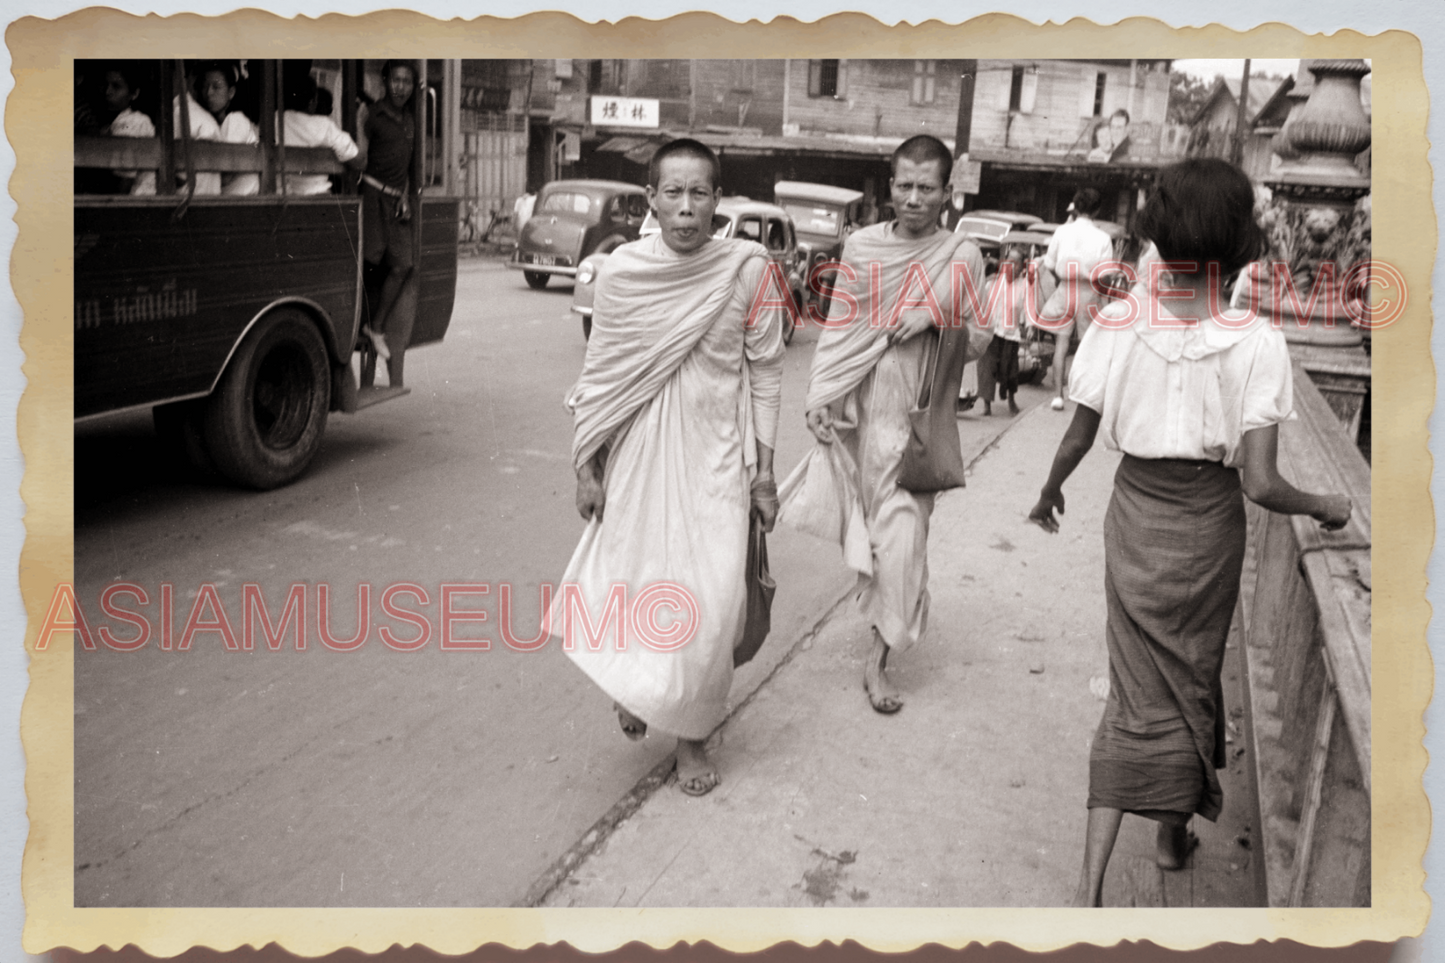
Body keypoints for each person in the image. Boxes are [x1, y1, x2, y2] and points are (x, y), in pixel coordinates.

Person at [1026, 158, 1352, 907]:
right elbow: (1263, 484)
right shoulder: (1256, 341)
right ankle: (1171, 834)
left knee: (1135, 692)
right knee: (1190, 683)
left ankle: (1089, 885)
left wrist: (1047, 493)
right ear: (1240, 238)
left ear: (1158, 232)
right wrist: (1327, 504)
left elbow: (1079, 432)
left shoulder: (1117, 322)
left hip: (1134, 518)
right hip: (1208, 530)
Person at [551, 139, 786, 797]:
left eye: (700, 193)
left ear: (718, 199)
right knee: (636, 588)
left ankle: (691, 737)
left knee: (711, 609)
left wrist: (764, 473)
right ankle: (643, 694)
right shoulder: (622, 271)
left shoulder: (746, 268)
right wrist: (586, 467)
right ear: (650, 199)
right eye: (673, 193)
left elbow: (765, 371)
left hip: (715, 459)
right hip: (637, 458)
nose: (686, 208)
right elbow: (600, 377)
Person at [796, 134, 985, 714]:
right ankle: (882, 623)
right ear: (890, 185)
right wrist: (821, 396)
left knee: (904, 542)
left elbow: (980, 339)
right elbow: (839, 327)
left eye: (926, 187)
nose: (913, 197)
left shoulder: (962, 255)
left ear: (946, 193)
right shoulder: (861, 247)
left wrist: (934, 316)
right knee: (874, 540)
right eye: (904, 184)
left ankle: (877, 662)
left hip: (916, 419)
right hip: (862, 412)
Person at [359, 59, 418, 378]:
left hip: (396, 202)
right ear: (385, 81)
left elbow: (407, 165)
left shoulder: (409, 119)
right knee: (369, 263)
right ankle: (357, 327)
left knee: (402, 265)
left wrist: (406, 194)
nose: (401, 87)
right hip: (371, 195)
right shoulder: (373, 115)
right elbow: (359, 156)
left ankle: (376, 327)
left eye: (407, 82)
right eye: (396, 80)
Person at [1039, 188, 1114, 411]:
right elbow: (1105, 274)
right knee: (1087, 345)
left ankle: (1057, 396)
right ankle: (1080, 394)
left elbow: (1050, 265)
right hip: (1088, 292)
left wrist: (1060, 281)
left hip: (1065, 288)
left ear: (1076, 207)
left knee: (1061, 344)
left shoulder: (1062, 232)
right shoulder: (1103, 237)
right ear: (1098, 209)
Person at [976, 247, 1037, 416]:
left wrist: (1030, 326)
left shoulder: (1025, 285)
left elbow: (1029, 307)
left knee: (1010, 369)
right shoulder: (993, 282)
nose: (1011, 265)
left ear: (1022, 266)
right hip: (991, 332)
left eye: (1015, 262)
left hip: (1011, 333)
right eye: (1009, 261)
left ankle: (1011, 400)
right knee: (986, 367)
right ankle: (986, 405)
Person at [281, 76, 364, 196]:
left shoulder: (275, 121)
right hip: (319, 197)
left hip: (285, 195)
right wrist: (360, 122)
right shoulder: (325, 126)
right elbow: (359, 162)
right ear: (312, 102)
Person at [196, 62, 261, 196]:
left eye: (216, 87)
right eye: (205, 86)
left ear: (231, 92)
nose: (208, 93)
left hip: (244, 203)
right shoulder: (212, 125)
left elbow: (225, 174)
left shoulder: (235, 120)